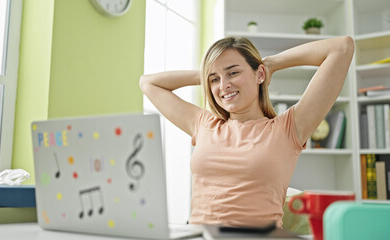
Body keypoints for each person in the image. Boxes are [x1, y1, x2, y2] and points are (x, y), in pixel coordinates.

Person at [139, 36, 354, 229]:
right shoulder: (204, 124)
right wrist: (205, 74)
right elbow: (148, 83)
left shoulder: (288, 128)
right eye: (215, 79)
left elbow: (342, 48)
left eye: (233, 72)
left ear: (259, 74)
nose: (224, 85)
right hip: (198, 235)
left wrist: (273, 64)